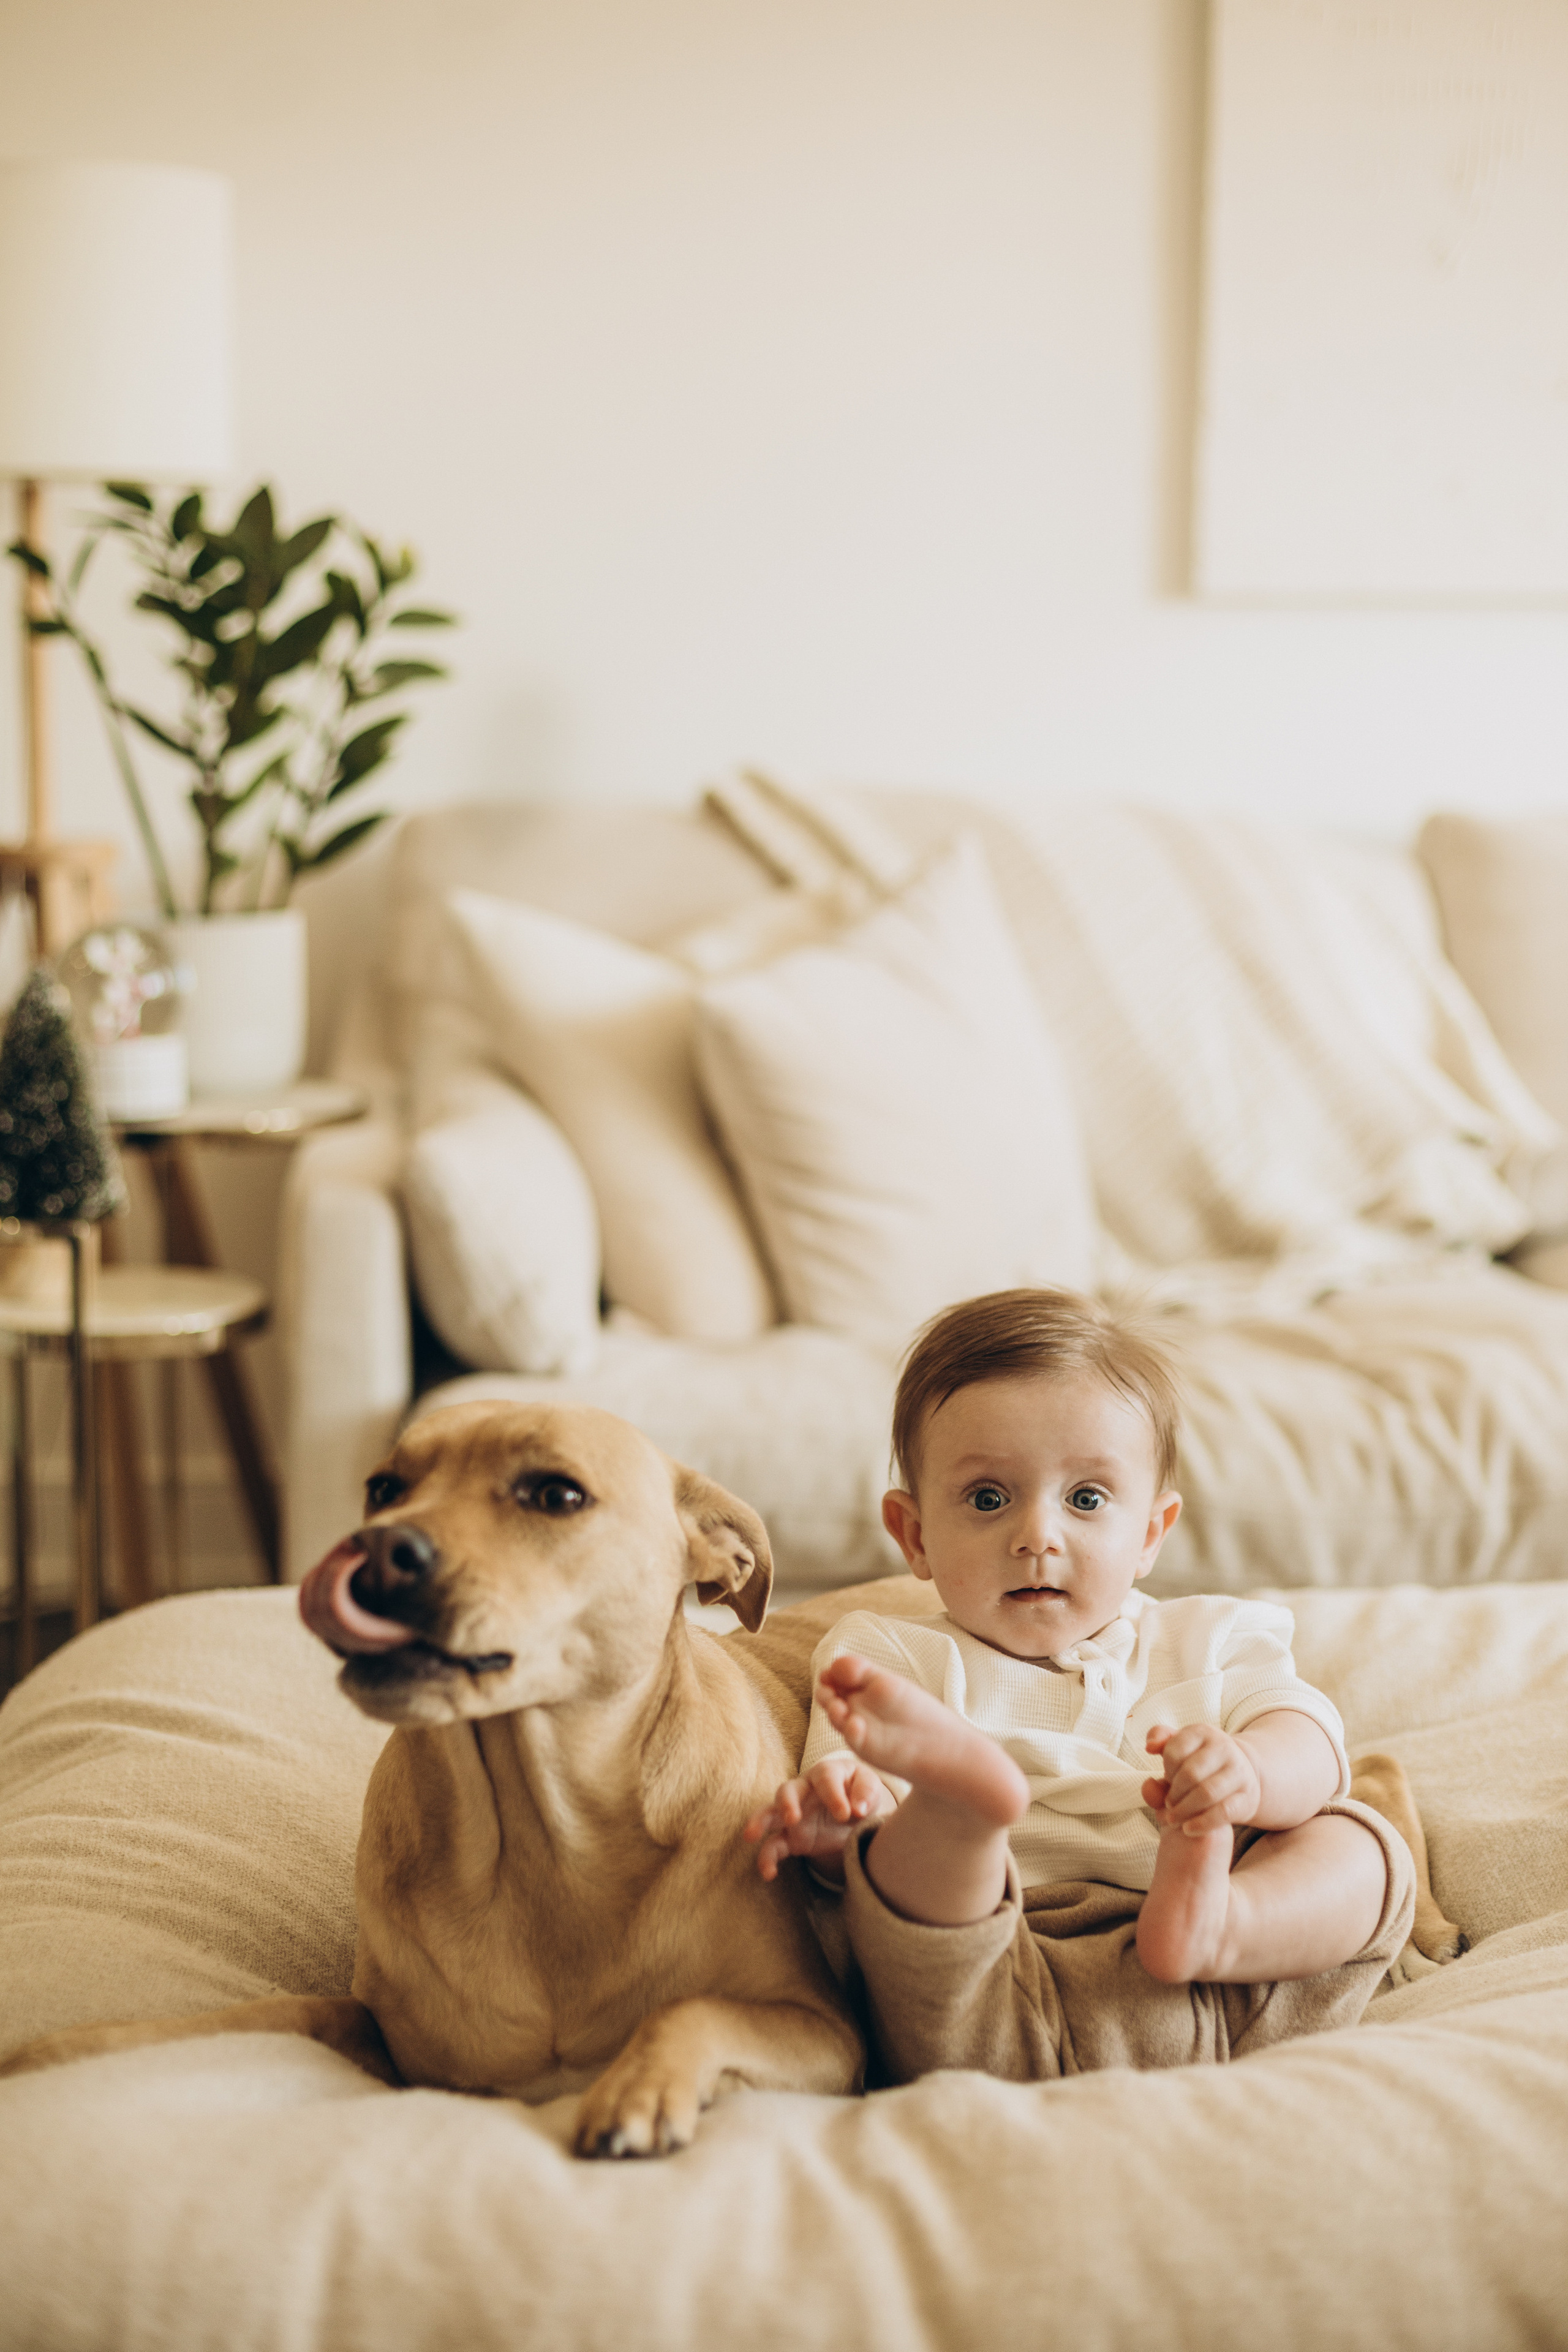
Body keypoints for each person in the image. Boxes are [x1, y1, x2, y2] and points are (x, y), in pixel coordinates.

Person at [745, 1288, 1415, 2086]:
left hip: (1224, 1969)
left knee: (1361, 1843)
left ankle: (1223, 1924)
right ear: (915, 1535)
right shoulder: (888, 1656)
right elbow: (859, 1829)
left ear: (1150, 1535)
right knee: (896, 1875)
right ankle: (964, 1801)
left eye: (1087, 1500)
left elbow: (1312, 1740)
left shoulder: (1213, 1636)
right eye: (988, 1499)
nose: (1037, 1536)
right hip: (996, 1966)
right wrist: (839, 1814)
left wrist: (1249, 1775)